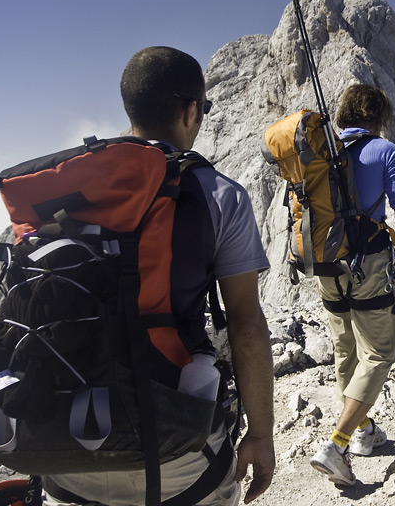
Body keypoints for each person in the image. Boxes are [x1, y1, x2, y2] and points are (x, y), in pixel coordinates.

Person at [42, 47, 276, 505]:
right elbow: (246, 327)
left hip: (61, 445)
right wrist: (260, 434)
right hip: (174, 452)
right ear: (192, 111)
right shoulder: (219, 195)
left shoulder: (69, 188)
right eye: (203, 109)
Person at [309, 84, 395, 486]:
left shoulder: (321, 152)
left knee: (346, 349)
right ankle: (335, 444)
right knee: (380, 351)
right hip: (366, 263)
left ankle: (364, 433)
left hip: (325, 265)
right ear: (378, 116)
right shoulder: (384, 152)